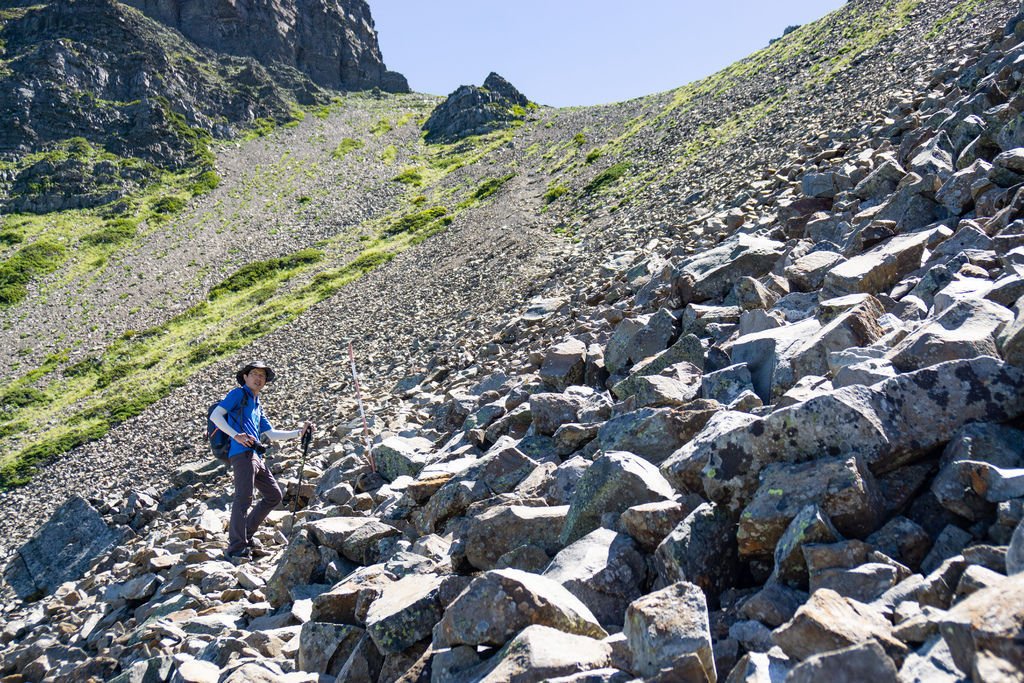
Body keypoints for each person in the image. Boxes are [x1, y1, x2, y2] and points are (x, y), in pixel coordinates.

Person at [211, 360, 313, 560]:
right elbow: (216, 416)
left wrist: (298, 433)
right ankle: (236, 548)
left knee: (274, 495)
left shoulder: (257, 404)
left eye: (263, 376)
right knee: (243, 498)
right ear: (246, 377)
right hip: (241, 454)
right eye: (255, 374)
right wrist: (235, 435)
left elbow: (271, 434)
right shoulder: (238, 394)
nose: (259, 378)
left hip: (255, 455)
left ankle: (245, 535)